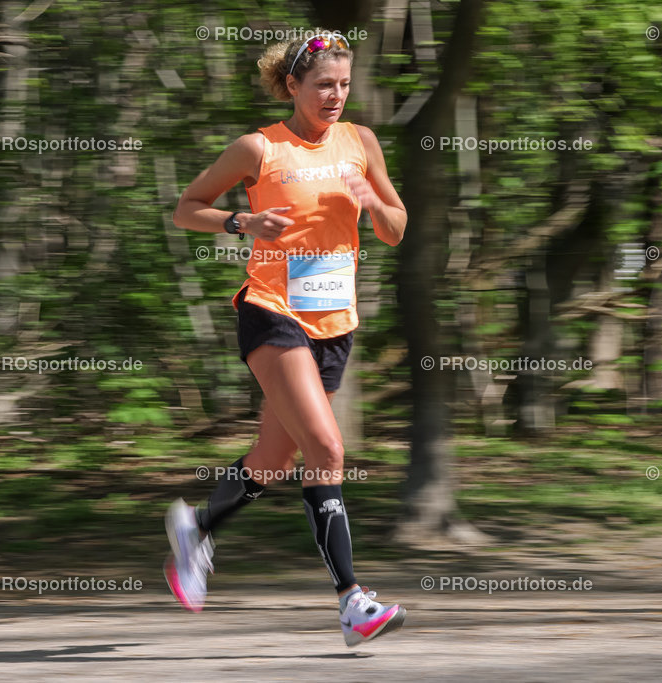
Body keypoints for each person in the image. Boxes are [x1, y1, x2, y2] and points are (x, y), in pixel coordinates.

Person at [164, 30, 408, 647]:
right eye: (323, 84)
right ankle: (353, 601)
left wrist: (370, 204)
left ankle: (198, 526)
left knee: (273, 462)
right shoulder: (258, 148)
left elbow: (397, 228)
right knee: (326, 449)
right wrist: (243, 220)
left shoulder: (361, 143)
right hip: (272, 311)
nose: (335, 95)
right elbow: (187, 207)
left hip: (335, 321)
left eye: (345, 84)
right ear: (292, 86)